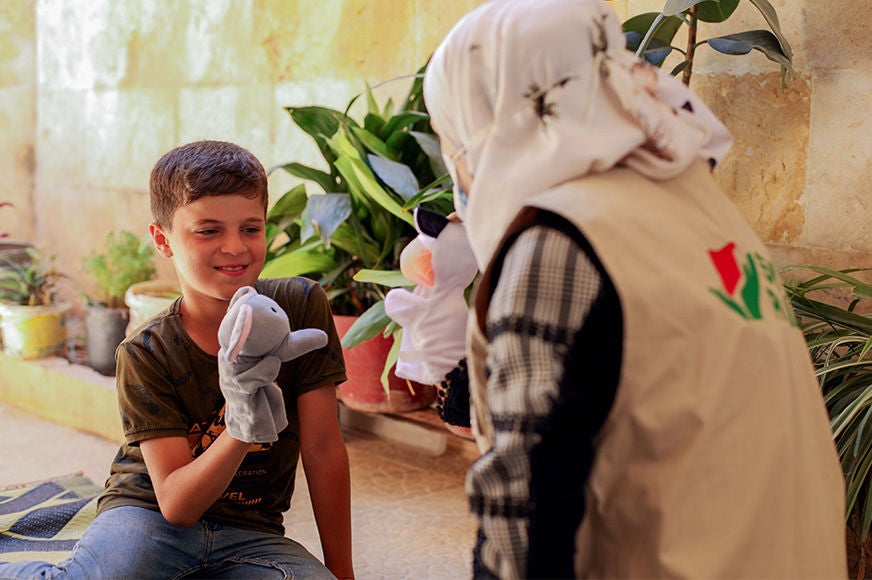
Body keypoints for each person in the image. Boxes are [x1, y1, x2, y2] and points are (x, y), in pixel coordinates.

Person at [400, 0, 848, 577]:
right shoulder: (704, 209)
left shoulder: (559, 242)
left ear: (485, 119)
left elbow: (526, 515)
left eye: (450, 135)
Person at [0, 140, 354, 579]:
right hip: (147, 518)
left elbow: (322, 448)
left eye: (251, 228)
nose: (235, 248)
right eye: (208, 231)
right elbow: (177, 505)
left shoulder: (299, 308)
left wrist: (343, 573)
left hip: (251, 532)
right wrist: (242, 426)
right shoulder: (144, 352)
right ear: (162, 239)